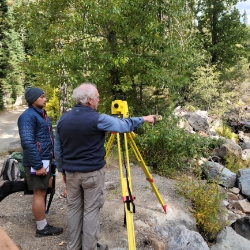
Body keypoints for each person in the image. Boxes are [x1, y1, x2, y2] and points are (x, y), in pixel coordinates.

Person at [54, 82, 156, 250]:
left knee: (73, 209)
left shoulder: (63, 119)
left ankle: (73, 247)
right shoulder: (97, 119)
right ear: (89, 100)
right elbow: (124, 125)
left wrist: (62, 169)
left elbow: (58, 149)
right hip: (92, 174)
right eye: (97, 97)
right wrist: (144, 118)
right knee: (91, 211)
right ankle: (89, 247)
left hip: (71, 173)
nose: (99, 100)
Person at [17, 87, 63, 237]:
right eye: (42, 96)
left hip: (44, 159)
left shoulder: (42, 115)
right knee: (39, 193)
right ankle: (41, 228)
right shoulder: (28, 116)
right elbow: (28, 142)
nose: (45, 99)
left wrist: (53, 157)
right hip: (36, 162)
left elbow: (48, 138)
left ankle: (42, 223)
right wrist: (37, 165)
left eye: (45, 96)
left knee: (43, 191)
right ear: (33, 99)